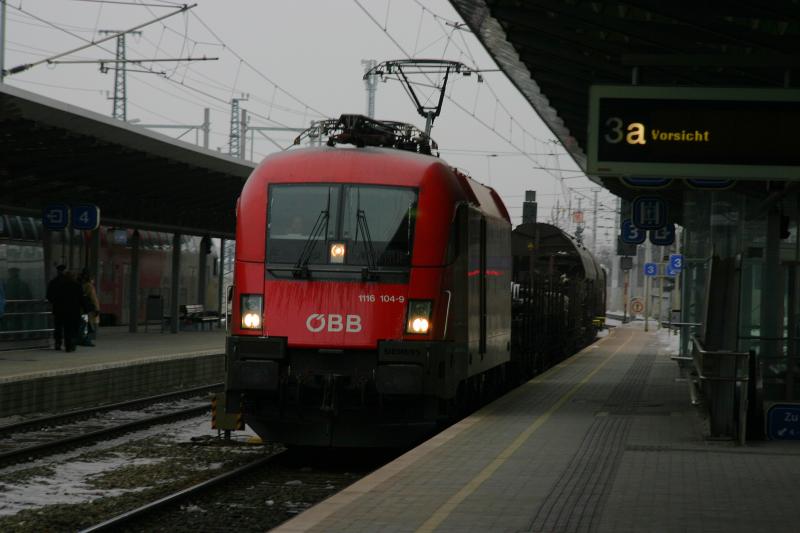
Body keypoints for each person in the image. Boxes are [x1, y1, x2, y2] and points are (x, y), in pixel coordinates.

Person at [46, 265, 83, 352]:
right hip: (73, 311)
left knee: (58, 327)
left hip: (59, 309)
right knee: (70, 328)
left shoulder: (54, 282)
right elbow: (81, 298)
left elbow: (49, 296)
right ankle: (69, 345)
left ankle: (58, 343)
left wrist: (55, 303)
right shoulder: (76, 285)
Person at [78, 268, 99, 346]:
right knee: (88, 325)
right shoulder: (89, 286)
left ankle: (80, 339)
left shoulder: (78, 283)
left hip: (80, 308)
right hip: (87, 309)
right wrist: (97, 308)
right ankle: (86, 341)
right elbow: (93, 298)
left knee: (82, 325)